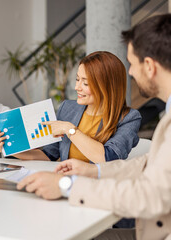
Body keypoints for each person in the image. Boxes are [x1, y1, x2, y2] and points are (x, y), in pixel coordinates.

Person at [17, 13, 171, 240]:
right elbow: (147, 163)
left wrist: (66, 185)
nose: (130, 72)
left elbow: (151, 193)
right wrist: (92, 171)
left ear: (149, 66)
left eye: (132, 64)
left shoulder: (130, 117)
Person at [0, 51, 141, 163]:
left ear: (106, 87)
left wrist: (69, 129)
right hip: (66, 183)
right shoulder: (68, 108)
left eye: (85, 83)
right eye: (77, 79)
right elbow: (49, 156)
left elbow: (108, 157)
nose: (77, 87)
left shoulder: (129, 118)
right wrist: (11, 150)